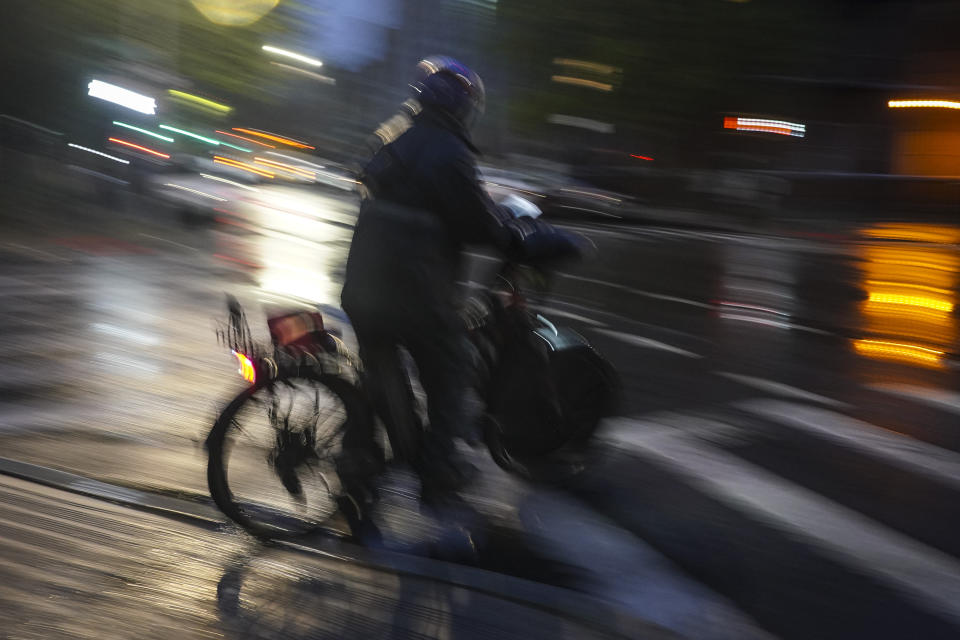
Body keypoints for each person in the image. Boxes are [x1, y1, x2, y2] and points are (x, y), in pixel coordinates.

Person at [338, 56, 573, 539]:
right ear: (465, 108)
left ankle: (357, 463)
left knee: (379, 378)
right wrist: (519, 239)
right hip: (415, 294)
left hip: (363, 286)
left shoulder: (394, 141)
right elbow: (480, 226)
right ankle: (438, 474)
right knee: (451, 371)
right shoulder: (449, 153)